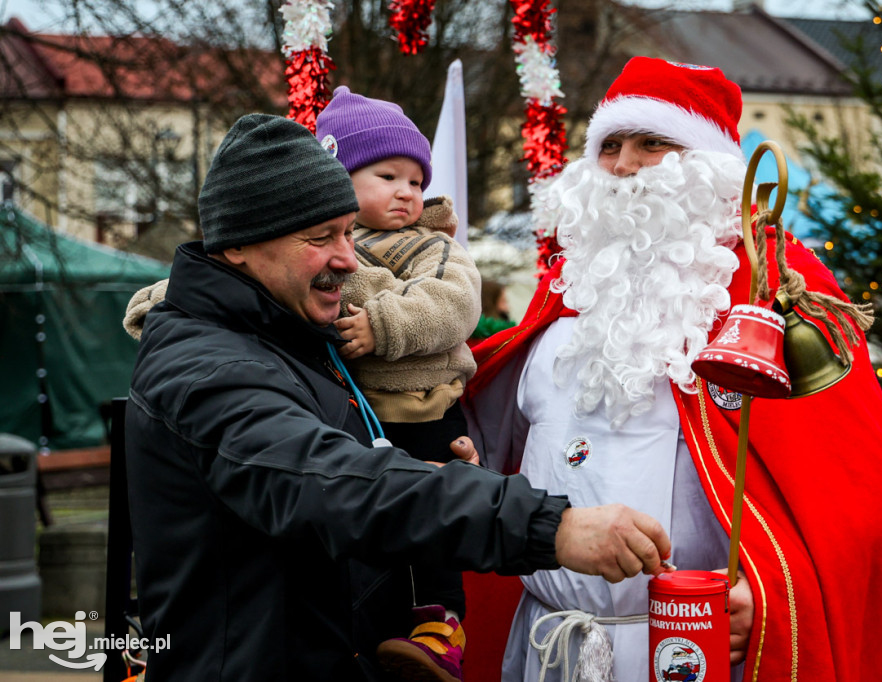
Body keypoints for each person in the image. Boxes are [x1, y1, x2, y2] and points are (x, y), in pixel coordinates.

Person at [123, 113, 673, 682]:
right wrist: (547, 527)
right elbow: (328, 483)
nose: (348, 259)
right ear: (238, 245)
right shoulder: (207, 367)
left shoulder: (295, 336)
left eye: (346, 231)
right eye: (320, 239)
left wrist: (427, 467)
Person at [464, 58, 882, 681]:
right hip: (548, 645)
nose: (624, 163)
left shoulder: (779, 296)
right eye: (609, 144)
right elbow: (490, 449)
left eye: (652, 142)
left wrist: (771, 592)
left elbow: (859, 495)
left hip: (694, 646)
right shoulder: (567, 295)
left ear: (711, 164)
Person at [313, 87, 480, 680]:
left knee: (434, 522)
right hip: (358, 417)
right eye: (388, 175)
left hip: (424, 410)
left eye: (416, 179)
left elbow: (454, 304)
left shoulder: (433, 244)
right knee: (370, 535)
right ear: (336, 180)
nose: (408, 191)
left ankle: (442, 631)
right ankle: (374, 628)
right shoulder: (320, 243)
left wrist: (383, 324)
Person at [470, 279, 516, 345]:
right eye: (504, 301)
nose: (508, 308)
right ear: (490, 302)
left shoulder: (468, 331)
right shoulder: (505, 336)